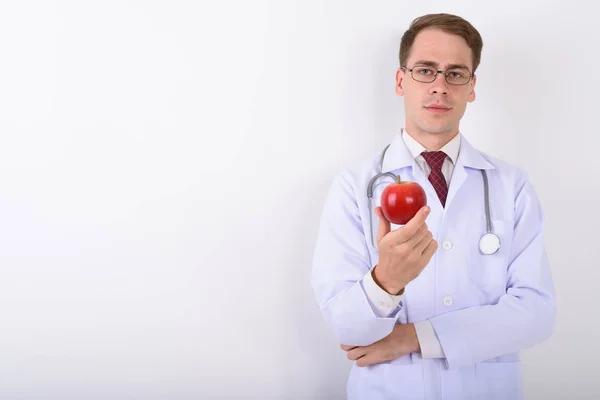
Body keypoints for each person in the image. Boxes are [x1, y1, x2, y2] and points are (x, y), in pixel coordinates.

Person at [311, 13, 556, 400]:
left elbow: (537, 313)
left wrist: (413, 337)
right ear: (400, 80)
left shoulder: (511, 186)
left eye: (456, 73)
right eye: (425, 70)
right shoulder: (353, 187)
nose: (440, 86)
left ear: (471, 87)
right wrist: (386, 281)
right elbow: (347, 330)